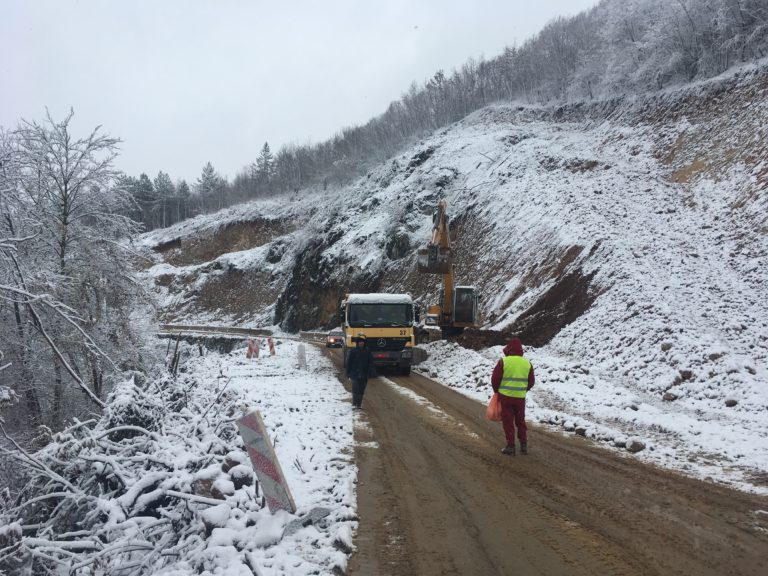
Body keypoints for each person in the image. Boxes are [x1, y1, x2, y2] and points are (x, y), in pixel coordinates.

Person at [491, 337, 535, 455]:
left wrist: (497, 391)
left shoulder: (503, 361)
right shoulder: (527, 363)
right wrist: (523, 390)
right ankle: (524, 445)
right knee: (520, 420)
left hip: (506, 397)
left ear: (509, 348)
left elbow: (495, 379)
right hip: (520, 398)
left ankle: (511, 446)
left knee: (508, 421)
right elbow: (531, 381)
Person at [346, 334, 375, 409]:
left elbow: (371, 362)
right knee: (355, 388)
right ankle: (354, 403)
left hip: (364, 374)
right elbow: (349, 362)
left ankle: (359, 404)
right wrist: (348, 373)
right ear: (357, 343)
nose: (361, 343)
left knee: (361, 389)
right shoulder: (353, 351)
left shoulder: (368, 351)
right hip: (354, 373)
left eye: (362, 342)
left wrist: (371, 372)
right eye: (360, 342)